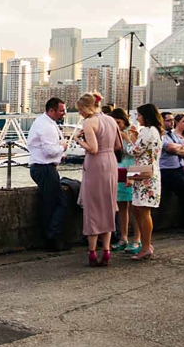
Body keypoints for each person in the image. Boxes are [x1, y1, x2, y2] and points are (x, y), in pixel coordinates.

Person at [72, 94, 121, 266]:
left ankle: (92, 252)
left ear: (86, 108)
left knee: (93, 207)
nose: (79, 113)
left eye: (80, 109)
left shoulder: (89, 122)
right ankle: (106, 250)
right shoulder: (111, 120)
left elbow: (93, 149)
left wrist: (78, 139)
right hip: (111, 162)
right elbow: (118, 146)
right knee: (108, 205)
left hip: (96, 164)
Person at [27, 97, 68, 250]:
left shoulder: (44, 122)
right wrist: (62, 147)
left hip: (40, 167)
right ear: (52, 110)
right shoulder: (47, 127)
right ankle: (52, 237)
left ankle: (51, 237)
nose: (63, 113)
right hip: (45, 168)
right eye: (61, 110)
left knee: (50, 202)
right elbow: (49, 151)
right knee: (58, 203)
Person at [129, 104, 164, 260]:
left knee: (142, 210)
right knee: (137, 207)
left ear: (146, 116)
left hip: (143, 171)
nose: (138, 118)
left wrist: (129, 139)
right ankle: (146, 244)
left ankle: (145, 247)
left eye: (139, 115)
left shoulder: (146, 131)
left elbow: (134, 151)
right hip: (151, 170)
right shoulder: (156, 132)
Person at [109, 108, 140, 254]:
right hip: (119, 169)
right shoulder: (114, 132)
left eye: (119, 122)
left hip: (131, 168)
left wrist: (126, 138)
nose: (117, 125)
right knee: (121, 205)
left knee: (136, 207)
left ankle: (137, 239)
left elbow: (134, 151)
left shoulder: (132, 131)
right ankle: (124, 237)